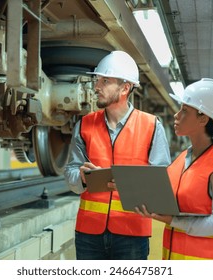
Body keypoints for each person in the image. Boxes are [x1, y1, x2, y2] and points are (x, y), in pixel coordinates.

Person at [64, 50, 171, 260]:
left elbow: (161, 183)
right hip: (88, 233)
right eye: (97, 80)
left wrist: (127, 185)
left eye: (105, 81)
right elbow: (70, 172)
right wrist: (82, 178)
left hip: (131, 234)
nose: (97, 87)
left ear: (125, 88)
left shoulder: (151, 126)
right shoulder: (84, 125)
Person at [136, 78, 213, 260]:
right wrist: (131, 189)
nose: (176, 115)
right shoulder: (183, 158)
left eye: (185, 110)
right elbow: (170, 199)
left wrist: (173, 221)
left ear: (203, 118)